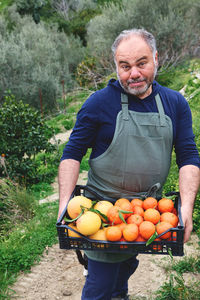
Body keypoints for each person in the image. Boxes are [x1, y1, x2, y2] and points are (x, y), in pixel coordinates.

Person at [57, 28, 200, 300]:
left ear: (156, 58)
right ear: (116, 67)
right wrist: (65, 204)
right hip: (101, 213)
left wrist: (187, 210)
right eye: (125, 66)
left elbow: (189, 156)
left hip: (147, 213)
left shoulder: (175, 103)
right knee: (100, 285)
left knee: (125, 269)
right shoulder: (99, 103)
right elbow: (72, 153)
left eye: (141, 63)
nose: (133, 73)